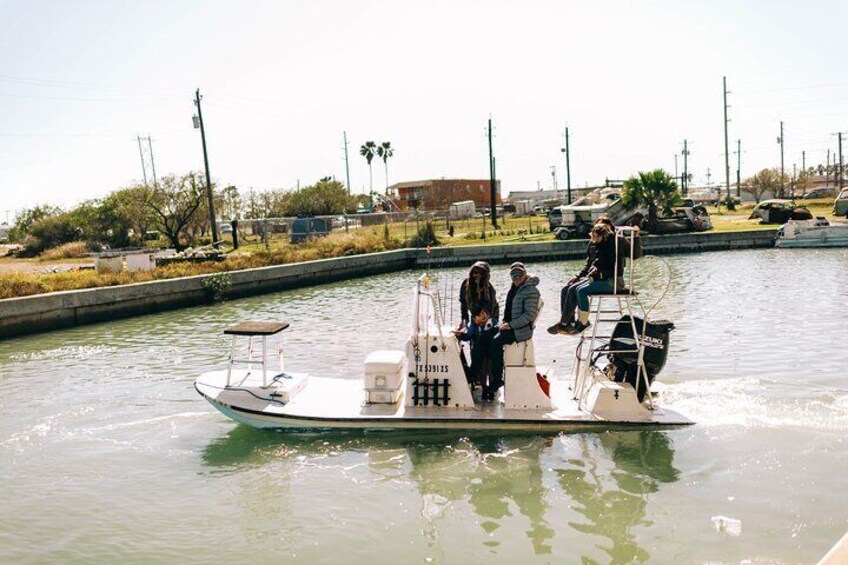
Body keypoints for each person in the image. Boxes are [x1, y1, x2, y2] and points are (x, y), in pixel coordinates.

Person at [487, 262, 541, 401]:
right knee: (483, 337)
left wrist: (510, 325)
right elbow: (509, 311)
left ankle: (497, 379)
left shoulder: (530, 290)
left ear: (525, 274)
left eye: (519, 274)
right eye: (513, 274)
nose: (516, 277)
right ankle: (475, 375)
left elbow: (529, 315)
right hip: (509, 325)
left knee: (495, 342)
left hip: (521, 330)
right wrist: (503, 323)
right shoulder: (514, 288)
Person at [453, 306, 498, 390]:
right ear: (474, 318)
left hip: (490, 351)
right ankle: (481, 386)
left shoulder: (492, 322)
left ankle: (492, 388)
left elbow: (495, 332)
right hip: (479, 352)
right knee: (482, 371)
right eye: (479, 315)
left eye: (483, 313)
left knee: (491, 371)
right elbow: (469, 335)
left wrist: (485, 325)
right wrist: (460, 335)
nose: (483, 316)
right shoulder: (474, 326)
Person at [458, 261, 499, 330]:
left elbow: (490, 309)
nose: (478, 275)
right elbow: (463, 304)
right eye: (475, 272)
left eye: (482, 273)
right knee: (467, 334)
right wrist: (464, 320)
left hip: (490, 316)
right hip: (475, 316)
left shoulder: (490, 289)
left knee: (483, 334)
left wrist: (483, 319)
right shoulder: (465, 285)